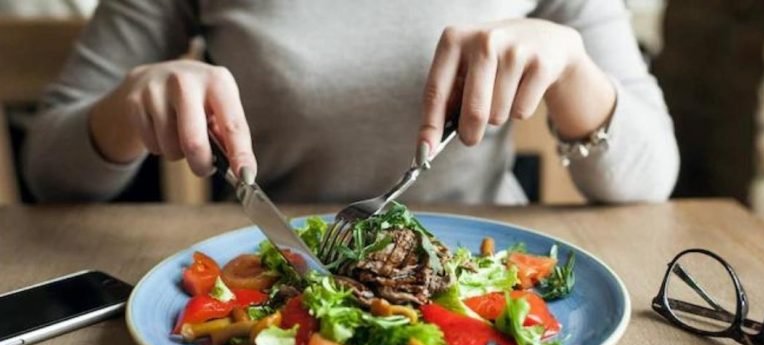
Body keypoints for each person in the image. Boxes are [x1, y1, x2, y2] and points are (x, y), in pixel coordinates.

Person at [22, 0, 679, 204]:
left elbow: (652, 178)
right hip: (267, 289)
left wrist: (572, 68)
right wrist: (126, 109)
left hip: (486, 294)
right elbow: (48, 169)